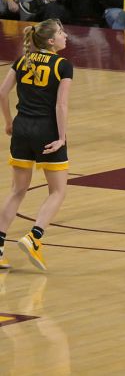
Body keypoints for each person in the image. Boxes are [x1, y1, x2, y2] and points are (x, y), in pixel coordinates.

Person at [0, 20, 72, 272]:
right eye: (62, 33)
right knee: (58, 191)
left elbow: (2, 92)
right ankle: (34, 237)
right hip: (47, 130)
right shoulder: (62, 65)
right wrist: (62, 138)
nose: (66, 36)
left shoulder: (23, 60)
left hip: (21, 128)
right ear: (51, 41)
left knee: (17, 190)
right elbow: (61, 105)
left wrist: (9, 122)